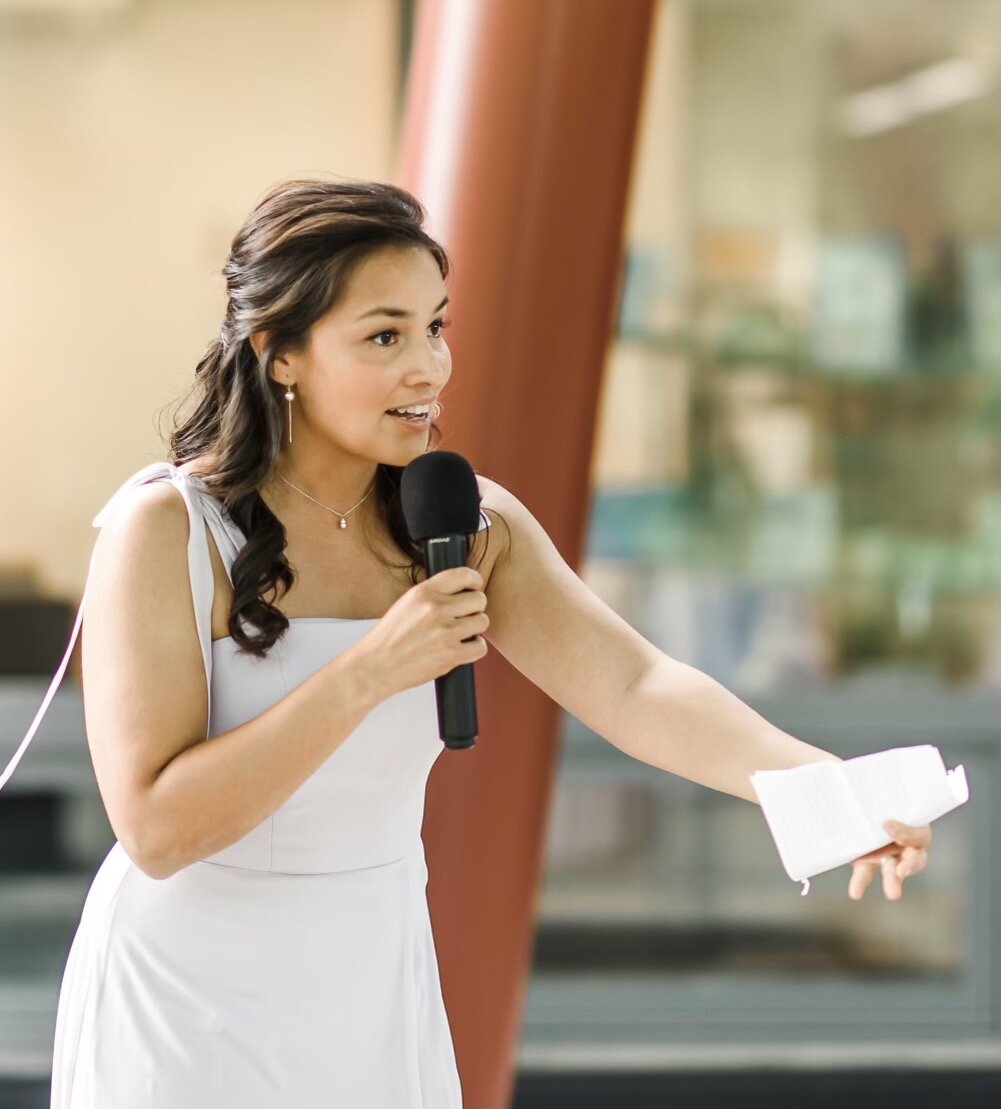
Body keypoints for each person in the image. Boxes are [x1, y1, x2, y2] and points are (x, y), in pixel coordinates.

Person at [33, 176, 930, 1108]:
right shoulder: (167, 531)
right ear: (280, 353)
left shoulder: (467, 523)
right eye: (385, 335)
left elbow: (636, 685)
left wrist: (826, 785)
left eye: (436, 327)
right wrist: (372, 669)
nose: (428, 367)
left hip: (369, 983)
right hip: (185, 1002)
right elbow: (155, 827)